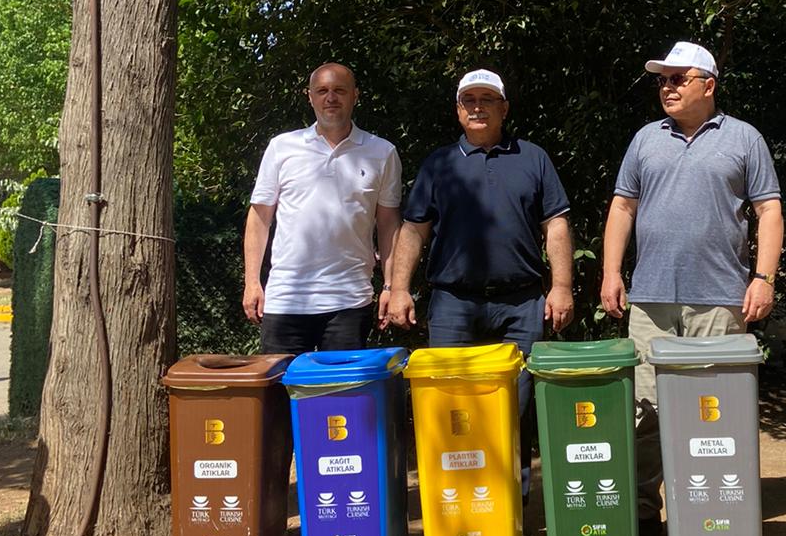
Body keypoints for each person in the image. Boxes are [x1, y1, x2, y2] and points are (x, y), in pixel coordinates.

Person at [600, 42, 783, 530]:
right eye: (663, 79)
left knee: (715, 413)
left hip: (720, 298)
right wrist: (611, 272)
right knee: (646, 411)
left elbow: (769, 212)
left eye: (679, 78)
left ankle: (712, 502)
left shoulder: (744, 138)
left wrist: (763, 278)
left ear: (709, 84)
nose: (668, 86)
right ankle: (643, 509)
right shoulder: (645, 139)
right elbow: (622, 208)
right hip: (651, 299)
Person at [385, 70, 574, 494]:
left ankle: (512, 506)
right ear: (457, 110)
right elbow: (414, 230)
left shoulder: (533, 158)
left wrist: (560, 287)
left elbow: (556, 225)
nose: (477, 107)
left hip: (521, 305)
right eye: (468, 99)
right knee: (453, 409)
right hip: (453, 305)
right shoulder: (438, 164)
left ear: (503, 108)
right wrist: (398, 289)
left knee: (515, 409)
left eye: (487, 99)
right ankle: (457, 500)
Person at [244, 62, 402, 354]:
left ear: (355, 95)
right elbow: (259, 217)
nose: (331, 98)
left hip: (349, 301)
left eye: (339, 90)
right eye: (323, 91)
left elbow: (389, 223)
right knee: (280, 397)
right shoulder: (282, 147)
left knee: (340, 398)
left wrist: (391, 287)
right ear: (310, 97)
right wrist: (252, 282)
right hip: (286, 299)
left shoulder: (382, 152)